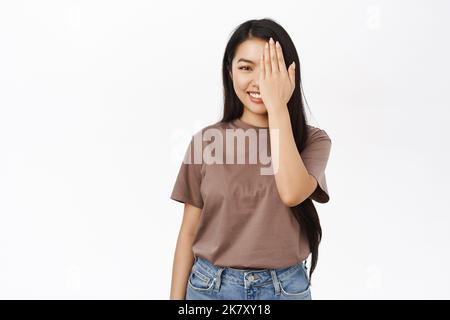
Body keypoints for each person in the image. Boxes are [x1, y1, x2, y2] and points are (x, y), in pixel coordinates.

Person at [169, 18, 332, 300]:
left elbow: (292, 192)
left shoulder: (312, 141)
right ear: (230, 73)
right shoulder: (207, 141)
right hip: (210, 288)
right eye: (246, 68)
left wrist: (277, 106)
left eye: (271, 70)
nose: (259, 82)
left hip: (284, 289)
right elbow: (187, 234)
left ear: (289, 75)